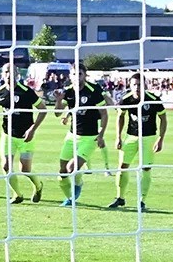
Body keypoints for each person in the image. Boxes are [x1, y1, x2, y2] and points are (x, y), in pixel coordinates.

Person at [53, 63, 113, 206]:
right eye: (74, 74)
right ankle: (70, 198)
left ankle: (78, 184)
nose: (76, 77)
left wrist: (101, 134)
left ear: (84, 75)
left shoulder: (93, 91)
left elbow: (104, 113)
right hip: (72, 135)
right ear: (70, 76)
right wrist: (59, 100)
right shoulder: (68, 91)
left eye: (79, 74)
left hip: (89, 137)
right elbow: (56, 113)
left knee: (71, 168)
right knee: (62, 172)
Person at [0, 63, 46, 204]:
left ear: (17, 74)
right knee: (6, 166)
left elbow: (42, 109)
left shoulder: (26, 92)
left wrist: (32, 129)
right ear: (2, 74)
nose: (8, 75)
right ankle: (17, 194)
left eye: (12, 72)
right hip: (8, 135)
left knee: (25, 169)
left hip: (26, 137)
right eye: (6, 72)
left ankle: (38, 185)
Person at [110, 73, 166, 211]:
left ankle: (142, 201)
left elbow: (163, 118)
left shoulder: (153, 100)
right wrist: (118, 136)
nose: (137, 87)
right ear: (130, 85)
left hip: (149, 137)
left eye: (140, 85)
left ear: (145, 85)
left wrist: (160, 138)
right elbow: (120, 116)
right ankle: (120, 197)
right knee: (122, 167)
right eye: (134, 84)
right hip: (131, 136)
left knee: (146, 169)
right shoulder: (126, 100)